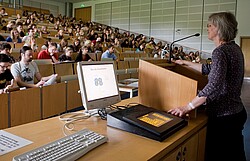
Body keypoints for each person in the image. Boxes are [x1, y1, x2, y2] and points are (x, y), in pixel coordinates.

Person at [168, 12, 247, 161]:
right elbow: (210, 70)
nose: (207, 28)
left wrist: (187, 107)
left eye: (210, 25)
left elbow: (214, 85)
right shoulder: (234, 48)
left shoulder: (220, 51)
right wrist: (186, 63)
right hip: (236, 112)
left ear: (219, 28)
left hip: (224, 118)